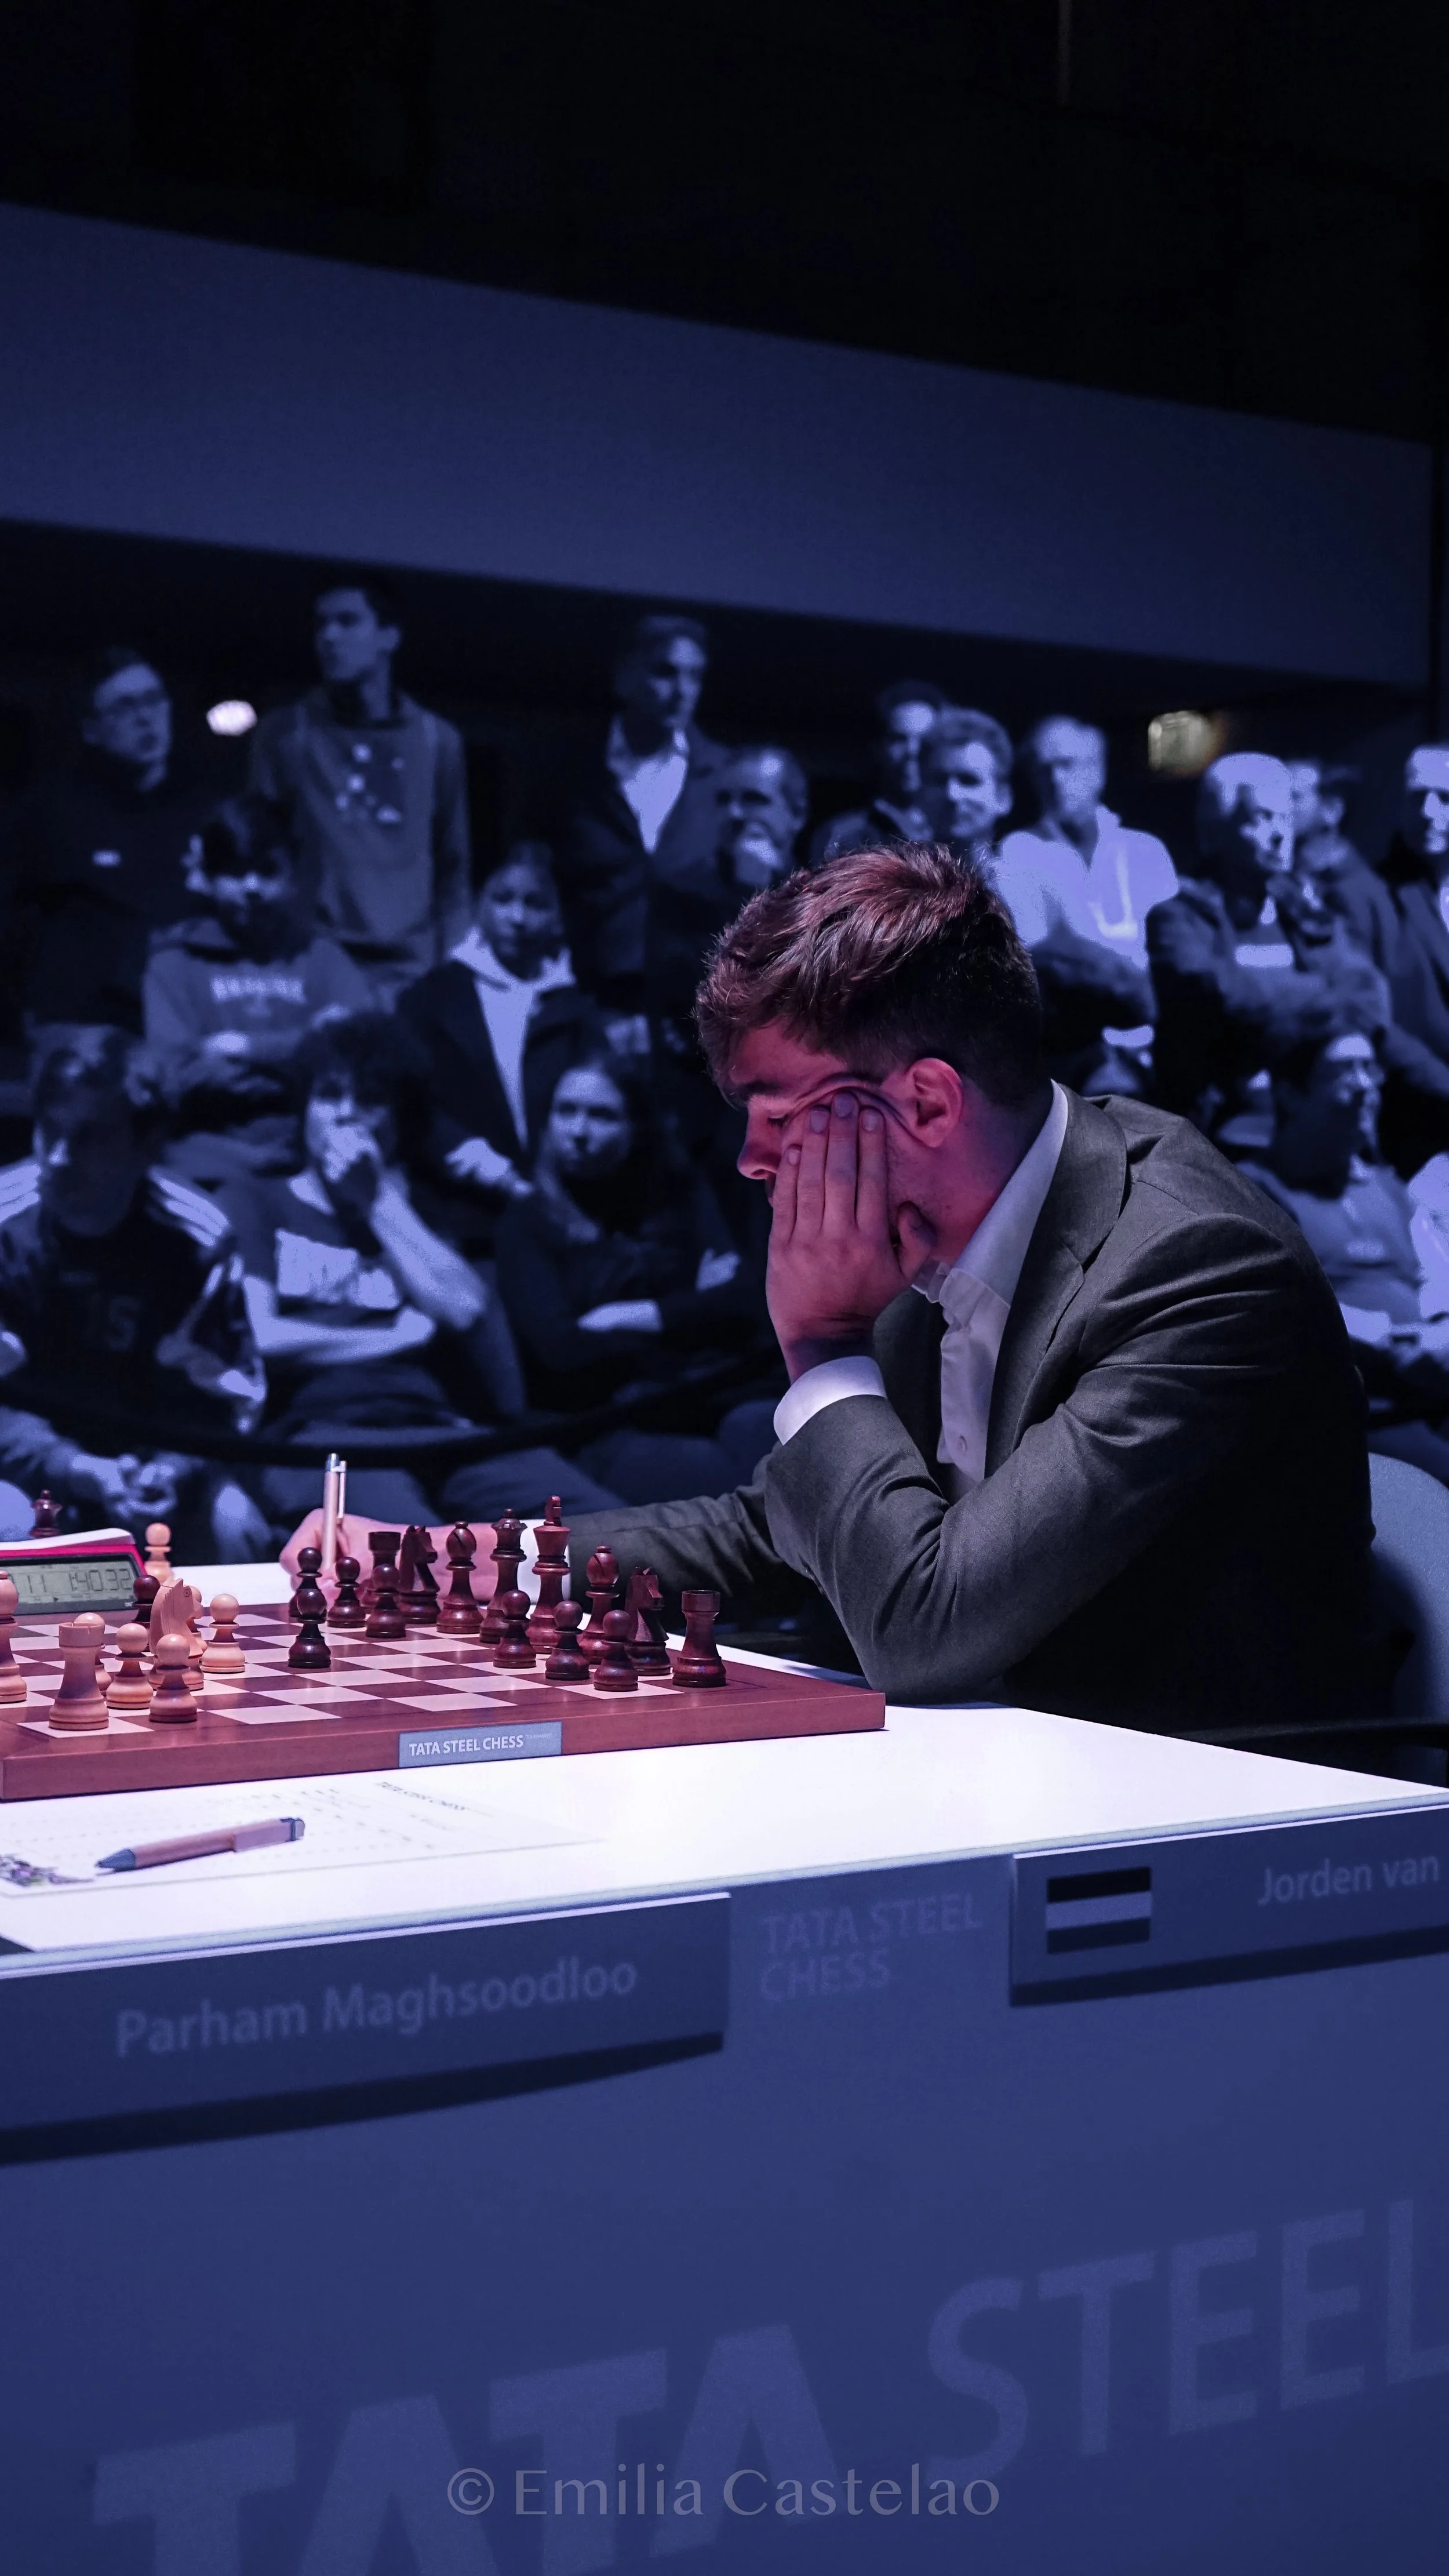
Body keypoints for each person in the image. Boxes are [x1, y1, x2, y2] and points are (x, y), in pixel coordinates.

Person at [537, 842, 1380, 1734]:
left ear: (929, 1102)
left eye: (781, 1114)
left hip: (1205, 1791)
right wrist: (507, 1560)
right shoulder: (934, 1227)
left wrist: (824, 1345)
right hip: (999, 1762)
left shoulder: (1201, 1271)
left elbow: (926, 1630)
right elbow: (792, 1528)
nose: (752, 1158)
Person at [223, 1015, 616, 1536]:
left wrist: (376, 1199)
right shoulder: (257, 1199)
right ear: (304, 1109)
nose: (345, 1114)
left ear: (398, 1118)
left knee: (607, 1532)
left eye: (369, 1099)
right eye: (329, 1096)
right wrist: (395, 1337)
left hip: (443, 1429)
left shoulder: (419, 1212)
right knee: (417, 1556)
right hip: (324, 1435)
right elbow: (263, 1337)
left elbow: (466, 1309)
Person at [0, 1031, 267, 1554]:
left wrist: (170, 1470)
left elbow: (223, 1398)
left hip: (153, 1472)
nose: (58, 1158)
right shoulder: (5, 1225)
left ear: (146, 1145)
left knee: (237, 1524)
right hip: (26, 1473)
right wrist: (74, 1468)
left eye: (89, 1137)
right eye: (49, 1130)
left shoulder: (198, 1238)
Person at [494, 1053, 774, 1503]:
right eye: (566, 1111)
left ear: (636, 1126)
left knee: (780, 1440)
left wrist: (628, 1315)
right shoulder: (527, 1222)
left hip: (709, 1388)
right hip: (606, 1418)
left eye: (601, 1115)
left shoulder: (678, 1193)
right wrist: (692, 1312)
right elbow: (561, 1351)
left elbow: (744, 1300)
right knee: (732, 1483)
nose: (578, 1130)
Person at [1146, 751, 1399, 1149]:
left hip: (1314, 1129)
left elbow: (1370, 996)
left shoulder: (1306, 913)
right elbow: (1223, 1000)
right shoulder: (1178, 919)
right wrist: (1322, 996)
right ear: (1217, 830)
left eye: (1285, 817)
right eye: (1261, 818)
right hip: (1219, 1134)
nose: (1281, 834)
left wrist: (1272, 1013)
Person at [1239, 1024, 1449, 1488]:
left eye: (1370, 1068)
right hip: (1361, 1413)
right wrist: (1393, 1343)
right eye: (1343, 1071)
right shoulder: (1256, 1189)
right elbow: (1280, 1299)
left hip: (1432, 1390)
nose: (1364, 1085)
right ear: (1291, 1093)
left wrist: (1442, 1335)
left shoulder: (1390, 1188)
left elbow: (1437, 1275)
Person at [246, 572, 471, 1001]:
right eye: (321, 624)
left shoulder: (436, 740)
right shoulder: (286, 734)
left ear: (389, 636)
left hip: (409, 973)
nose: (329, 637)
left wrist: (449, 974)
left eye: (348, 621)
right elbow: (258, 861)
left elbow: (454, 870)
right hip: (312, 967)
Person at [143, 794, 372, 1183]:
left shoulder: (323, 957)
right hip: (207, 1167)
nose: (252, 887)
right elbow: (176, 1077)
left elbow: (360, 1050)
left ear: (293, 875)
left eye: (268, 871)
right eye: (236, 872)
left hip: (313, 1164)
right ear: (209, 878)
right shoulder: (174, 963)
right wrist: (303, 1056)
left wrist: (248, 1048)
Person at [2, 647, 223, 1039]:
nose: (145, 717)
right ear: (92, 729)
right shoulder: (50, 814)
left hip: (183, 1027)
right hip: (82, 1031)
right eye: (124, 707)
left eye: (154, 700)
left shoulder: (209, 814)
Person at [398, 842, 599, 1255]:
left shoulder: (574, 1006)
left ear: (558, 915)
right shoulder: (432, 999)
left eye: (535, 904)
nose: (517, 918)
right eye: (503, 899)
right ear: (479, 905)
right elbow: (415, 1105)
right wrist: (495, 1174)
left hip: (557, 1220)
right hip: (459, 1220)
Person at [554, 613, 726, 1033]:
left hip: (694, 1013)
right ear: (625, 678)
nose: (682, 691)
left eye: (695, 676)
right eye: (665, 672)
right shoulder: (572, 771)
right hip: (591, 1005)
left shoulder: (722, 777)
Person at [992, 715, 1176, 1095]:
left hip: (1161, 1036)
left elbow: (1171, 948)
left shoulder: (1146, 850)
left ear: (1097, 772)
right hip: (1078, 1047)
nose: (1055, 779)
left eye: (1067, 764)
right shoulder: (1019, 851)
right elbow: (1042, 956)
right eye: (1043, 769)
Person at [810, 681, 944, 866]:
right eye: (899, 739)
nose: (913, 750)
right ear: (878, 747)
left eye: (926, 739)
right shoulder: (845, 836)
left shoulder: (962, 830)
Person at [917, 706, 1015, 869]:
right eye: (939, 781)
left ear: (1003, 797)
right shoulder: (899, 881)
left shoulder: (1027, 880)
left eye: (969, 781)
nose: (952, 795)